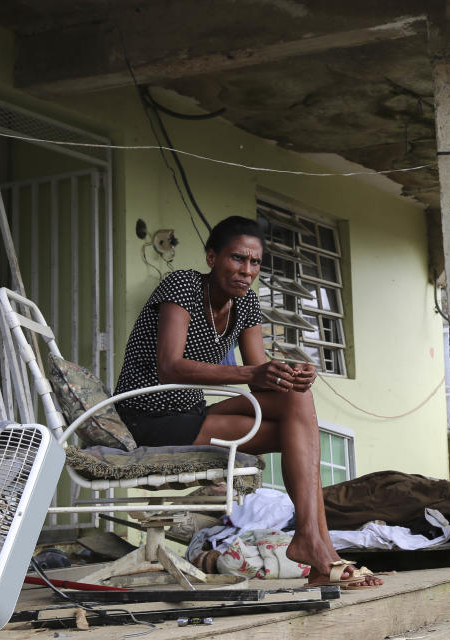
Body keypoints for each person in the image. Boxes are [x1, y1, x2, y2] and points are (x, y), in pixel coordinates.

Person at [114, 215, 381, 587]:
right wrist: (254, 374)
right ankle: (320, 553)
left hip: (192, 413)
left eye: (254, 262)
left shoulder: (247, 305)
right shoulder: (183, 286)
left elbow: (260, 377)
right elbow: (170, 366)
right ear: (212, 258)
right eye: (237, 259)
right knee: (298, 427)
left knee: (296, 401)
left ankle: (318, 546)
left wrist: (289, 374)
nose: (246, 270)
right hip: (149, 415)